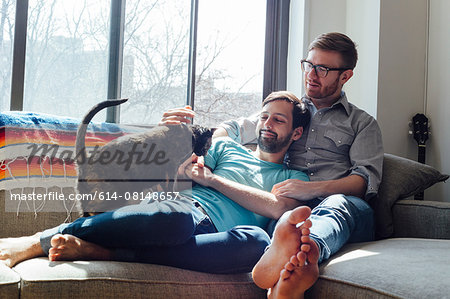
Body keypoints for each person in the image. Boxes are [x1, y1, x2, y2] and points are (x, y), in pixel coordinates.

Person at [162, 32, 384, 298]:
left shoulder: (362, 123)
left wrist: (311, 189)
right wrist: (212, 152)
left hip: (343, 207)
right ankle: (288, 279)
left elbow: (363, 183)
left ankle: (305, 251)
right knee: (265, 228)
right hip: (288, 210)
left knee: (335, 204)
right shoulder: (288, 110)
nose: (312, 75)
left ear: (345, 76)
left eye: (323, 69)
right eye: (309, 65)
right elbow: (233, 129)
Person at [0, 91, 311, 275]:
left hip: (214, 240)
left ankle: (103, 250)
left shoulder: (295, 179)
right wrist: (169, 138)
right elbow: (179, 177)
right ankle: (40, 239)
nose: (267, 124)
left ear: (296, 133)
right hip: (178, 215)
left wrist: (214, 181)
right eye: (264, 117)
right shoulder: (224, 147)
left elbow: (279, 207)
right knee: (177, 220)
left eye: (278, 120)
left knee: (257, 243)